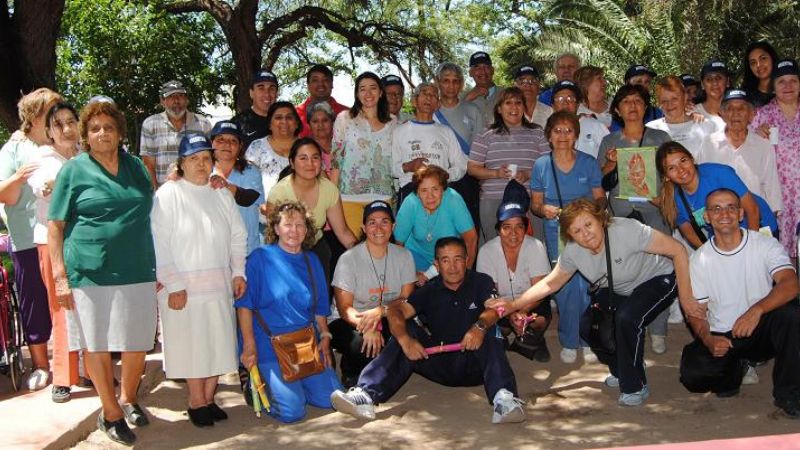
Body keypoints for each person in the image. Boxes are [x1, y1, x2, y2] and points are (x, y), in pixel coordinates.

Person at [488, 199, 694, 407]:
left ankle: (635, 385)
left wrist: (686, 298)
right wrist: (514, 304)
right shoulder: (573, 251)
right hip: (620, 288)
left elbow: (677, 250)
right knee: (589, 327)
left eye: (588, 224)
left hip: (658, 277)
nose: (585, 234)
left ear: (601, 220)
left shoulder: (627, 230)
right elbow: (551, 283)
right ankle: (623, 369)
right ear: (570, 235)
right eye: (576, 231)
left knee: (627, 318)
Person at [49, 101, 157, 445]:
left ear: (120, 133)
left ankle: (128, 398)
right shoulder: (73, 171)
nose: (102, 133)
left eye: (109, 127)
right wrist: (60, 277)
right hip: (89, 272)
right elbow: (55, 227)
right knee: (96, 343)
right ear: (85, 136)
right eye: (94, 129)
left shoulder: (137, 167)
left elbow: (152, 214)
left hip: (137, 268)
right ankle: (109, 413)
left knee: (136, 340)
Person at [330, 237, 525, 424]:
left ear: (466, 260)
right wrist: (405, 340)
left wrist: (479, 327)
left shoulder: (481, 281)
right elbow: (397, 311)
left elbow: (496, 307)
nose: (452, 266)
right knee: (407, 328)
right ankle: (365, 395)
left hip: (476, 363)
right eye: (445, 260)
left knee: (491, 328)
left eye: (458, 259)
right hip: (440, 361)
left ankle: (504, 400)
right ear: (437, 265)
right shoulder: (429, 290)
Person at [151, 134, 246, 427]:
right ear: (181, 163)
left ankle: (209, 397)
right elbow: (160, 242)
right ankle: (195, 401)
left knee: (217, 340)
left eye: (206, 158)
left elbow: (238, 235)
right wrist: (173, 284)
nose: (201, 164)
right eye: (194, 159)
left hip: (217, 284)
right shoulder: (168, 194)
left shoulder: (220, 193)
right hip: (183, 288)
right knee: (191, 343)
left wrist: (238, 272)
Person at [679, 188, 800, 419]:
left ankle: (789, 394)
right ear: (707, 217)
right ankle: (736, 369)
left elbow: (791, 284)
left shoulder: (764, 245)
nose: (724, 213)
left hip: (761, 326)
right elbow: (697, 312)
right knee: (693, 375)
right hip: (725, 334)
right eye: (716, 208)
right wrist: (707, 339)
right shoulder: (699, 259)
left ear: (741, 213)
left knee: (792, 314)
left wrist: (756, 310)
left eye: (730, 207)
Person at [235, 201, 341, 423]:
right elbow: (245, 305)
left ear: (307, 230)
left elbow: (320, 308)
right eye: (288, 224)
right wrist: (249, 345)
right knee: (292, 411)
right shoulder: (259, 258)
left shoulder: (311, 260)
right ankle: (258, 384)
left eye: (300, 225)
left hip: (304, 343)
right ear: (275, 228)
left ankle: (297, 384)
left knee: (331, 399)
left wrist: (325, 336)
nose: (294, 231)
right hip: (269, 343)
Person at [598, 84, 672, 353]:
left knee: (661, 267)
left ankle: (659, 329)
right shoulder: (610, 140)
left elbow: (672, 174)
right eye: (626, 102)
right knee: (627, 269)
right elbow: (601, 180)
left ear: (645, 106)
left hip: (654, 211)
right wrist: (610, 162)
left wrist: (661, 198)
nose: (632, 106)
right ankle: (631, 324)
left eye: (637, 101)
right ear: (617, 109)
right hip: (621, 213)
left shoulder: (660, 138)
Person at [0, 88, 62, 392]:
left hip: (65, 237)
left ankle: (72, 363)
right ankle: (41, 364)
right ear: (36, 115)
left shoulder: (63, 144)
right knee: (34, 300)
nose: (60, 114)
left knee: (67, 301)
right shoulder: (13, 149)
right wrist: (21, 176)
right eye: (53, 109)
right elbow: (5, 195)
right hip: (27, 239)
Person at [531, 111, 604, 363]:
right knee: (564, 283)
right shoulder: (541, 165)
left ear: (576, 135)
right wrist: (544, 210)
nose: (563, 136)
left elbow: (600, 197)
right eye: (557, 131)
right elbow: (535, 205)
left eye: (568, 130)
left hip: (585, 229)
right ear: (549, 136)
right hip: (557, 231)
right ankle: (569, 340)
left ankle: (586, 338)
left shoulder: (588, 162)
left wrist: (592, 214)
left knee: (586, 282)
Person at [27, 102, 81, 402]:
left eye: (71, 121)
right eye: (58, 124)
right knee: (61, 307)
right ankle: (63, 377)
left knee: (88, 306)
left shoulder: (86, 158)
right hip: (53, 242)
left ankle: (88, 369)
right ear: (49, 131)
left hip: (84, 241)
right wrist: (55, 184)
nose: (66, 128)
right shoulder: (43, 159)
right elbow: (43, 188)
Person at [330, 200, 416, 388]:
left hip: (386, 314)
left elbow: (406, 299)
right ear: (363, 227)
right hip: (350, 319)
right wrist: (368, 327)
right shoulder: (348, 259)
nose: (379, 227)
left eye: (384, 221)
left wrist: (381, 313)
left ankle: (377, 368)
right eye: (372, 222)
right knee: (360, 343)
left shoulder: (404, 256)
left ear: (393, 226)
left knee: (406, 335)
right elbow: (345, 309)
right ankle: (351, 370)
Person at [656, 141, 778, 250]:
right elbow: (689, 233)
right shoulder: (674, 200)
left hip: (758, 227)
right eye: (672, 168)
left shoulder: (719, 173)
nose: (681, 169)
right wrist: (713, 255)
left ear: (692, 159)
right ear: (666, 176)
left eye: (683, 160)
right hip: (725, 240)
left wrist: (750, 247)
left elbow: (753, 209)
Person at [477, 187, 552, 362]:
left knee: (537, 322)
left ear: (526, 228)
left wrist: (522, 312)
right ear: (498, 230)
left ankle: (532, 340)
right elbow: (489, 293)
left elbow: (539, 289)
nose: (513, 233)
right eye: (507, 227)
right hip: (500, 304)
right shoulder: (486, 251)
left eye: (519, 226)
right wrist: (511, 315)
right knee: (494, 325)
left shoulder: (536, 246)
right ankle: (508, 336)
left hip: (530, 302)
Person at [268, 137, 357, 281]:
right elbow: (272, 236)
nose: (310, 164)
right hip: (285, 252)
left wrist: (365, 257)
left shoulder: (329, 189)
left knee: (320, 298)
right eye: (303, 158)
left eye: (315, 158)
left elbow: (343, 232)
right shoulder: (279, 192)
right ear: (292, 162)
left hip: (316, 249)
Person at [467, 87, 550, 241]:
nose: (514, 107)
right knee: (495, 246)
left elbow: (549, 166)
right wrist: (496, 173)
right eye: (508, 103)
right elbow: (472, 168)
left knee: (535, 246)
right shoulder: (486, 134)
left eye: (518, 103)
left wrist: (527, 174)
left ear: (524, 107)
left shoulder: (537, 133)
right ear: (499, 108)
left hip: (532, 199)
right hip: (494, 199)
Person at [331, 71, 397, 237]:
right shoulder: (344, 119)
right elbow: (336, 161)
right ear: (357, 94)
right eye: (363, 89)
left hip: (383, 197)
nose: (368, 94)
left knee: (379, 249)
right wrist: (331, 196)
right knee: (354, 251)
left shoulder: (393, 122)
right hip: (349, 198)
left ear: (381, 92)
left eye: (373, 88)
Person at [697, 89, 783, 214]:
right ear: (722, 114)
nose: (735, 113)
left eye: (742, 108)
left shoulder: (763, 145)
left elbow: (771, 186)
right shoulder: (709, 143)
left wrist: (771, 219)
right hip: (719, 218)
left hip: (757, 215)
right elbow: (701, 184)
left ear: (751, 114)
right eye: (730, 109)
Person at [394, 165, 477, 285]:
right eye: (424, 190)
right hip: (416, 256)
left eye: (435, 189)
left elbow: (471, 239)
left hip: (448, 258)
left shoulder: (453, 199)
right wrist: (409, 273)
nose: (430, 196)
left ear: (443, 189)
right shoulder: (410, 203)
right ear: (417, 193)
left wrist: (465, 274)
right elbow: (397, 246)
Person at [752, 59, 800, 260]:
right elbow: (747, 149)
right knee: (781, 253)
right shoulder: (763, 115)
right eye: (782, 81)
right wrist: (755, 132)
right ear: (773, 86)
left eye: (793, 80)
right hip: (779, 196)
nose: (788, 86)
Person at [391, 82, 468, 204]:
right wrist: (410, 166)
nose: (428, 97)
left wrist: (444, 175)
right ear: (414, 101)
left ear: (437, 105)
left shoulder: (446, 131)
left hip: (440, 191)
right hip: (411, 191)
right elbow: (392, 168)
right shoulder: (399, 131)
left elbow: (461, 165)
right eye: (424, 93)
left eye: (433, 95)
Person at [433, 62, 483, 233]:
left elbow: (480, 149)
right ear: (438, 83)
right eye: (446, 80)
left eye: (455, 81)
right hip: (438, 178)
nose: (451, 86)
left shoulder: (472, 110)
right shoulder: (429, 111)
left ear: (461, 84)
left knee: (468, 228)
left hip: (467, 178)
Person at [140, 80, 212, 188]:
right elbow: (148, 165)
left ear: (187, 100)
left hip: (197, 191)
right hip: (165, 192)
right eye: (171, 96)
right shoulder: (150, 124)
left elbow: (211, 159)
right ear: (162, 101)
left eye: (180, 95)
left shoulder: (203, 124)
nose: (176, 100)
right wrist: (155, 194)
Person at [209, 120, 265, 255]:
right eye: (220, 140)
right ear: (211, 144)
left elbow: (249, 198)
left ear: (240, 146)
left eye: (233, 141)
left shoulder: (251, 170)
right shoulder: (202, 170)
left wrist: (226, 185)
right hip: (213, 250)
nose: (227, 144)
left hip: (247, 250)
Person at [647, 76, 716, 158]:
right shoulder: (650, 129)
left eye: (674, 99)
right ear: (659, 103)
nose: (669, 104)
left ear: (685, 97)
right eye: (664, 101)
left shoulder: (706, 126)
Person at [245, 101, 301, 199]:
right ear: (269, 124)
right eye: (278, 117)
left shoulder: (308, 147)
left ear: (296, 123)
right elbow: (246, 182)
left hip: (305, 210)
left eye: (289, 117)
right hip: (265, 210)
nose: (284, 121)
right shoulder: (256, 147)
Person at [550, 80, 608, 158]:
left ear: (577, 105)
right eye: (560, 99)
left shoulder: (595, 126)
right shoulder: (547, 131)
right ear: (553, 106)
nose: (565, 103)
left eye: (570, 98)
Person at [296, 64, 349, 137]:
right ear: (308, 85)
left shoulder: (348, 114)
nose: (320, 84)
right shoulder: (295, 115)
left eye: (325, 80)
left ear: (332, 84)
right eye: (315, 80)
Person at [232, 69, 279, 150]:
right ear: (251, 93)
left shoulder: (285, 122)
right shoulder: (238, 123)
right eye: (261, 88)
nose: (267, 94)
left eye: (271, 88)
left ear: (277, 93)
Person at [609, 65, 664, 131]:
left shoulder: (657, 113)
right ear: (627, 84)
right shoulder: (619, 117)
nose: (643, 86)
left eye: (647, 82)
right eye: (639, 82)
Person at [463, 51, 504, 129]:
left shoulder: (506, 94)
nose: (482, 71)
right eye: (477, 67)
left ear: (492, 70)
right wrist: (467, 99)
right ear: (470, 73)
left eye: (486, 66)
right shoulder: (462, 97)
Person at [695, 60, 730, 132]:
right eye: (709, 79)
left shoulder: (739, 111)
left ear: (727, 82)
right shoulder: (693, 112)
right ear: (702, 84)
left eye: (718, 78)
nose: (714, 83)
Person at [742, 41, 779, 108]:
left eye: (763, 58)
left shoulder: (787, 89)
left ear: (772, 58)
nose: (759, 65)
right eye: (753, 62)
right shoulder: (745, 97)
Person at [306, 101, 336, 176]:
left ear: (332, 122)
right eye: (315, 121)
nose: (320, 125)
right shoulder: (305, 149)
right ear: (309, 125)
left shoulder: (342, 146)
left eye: (325, 120)